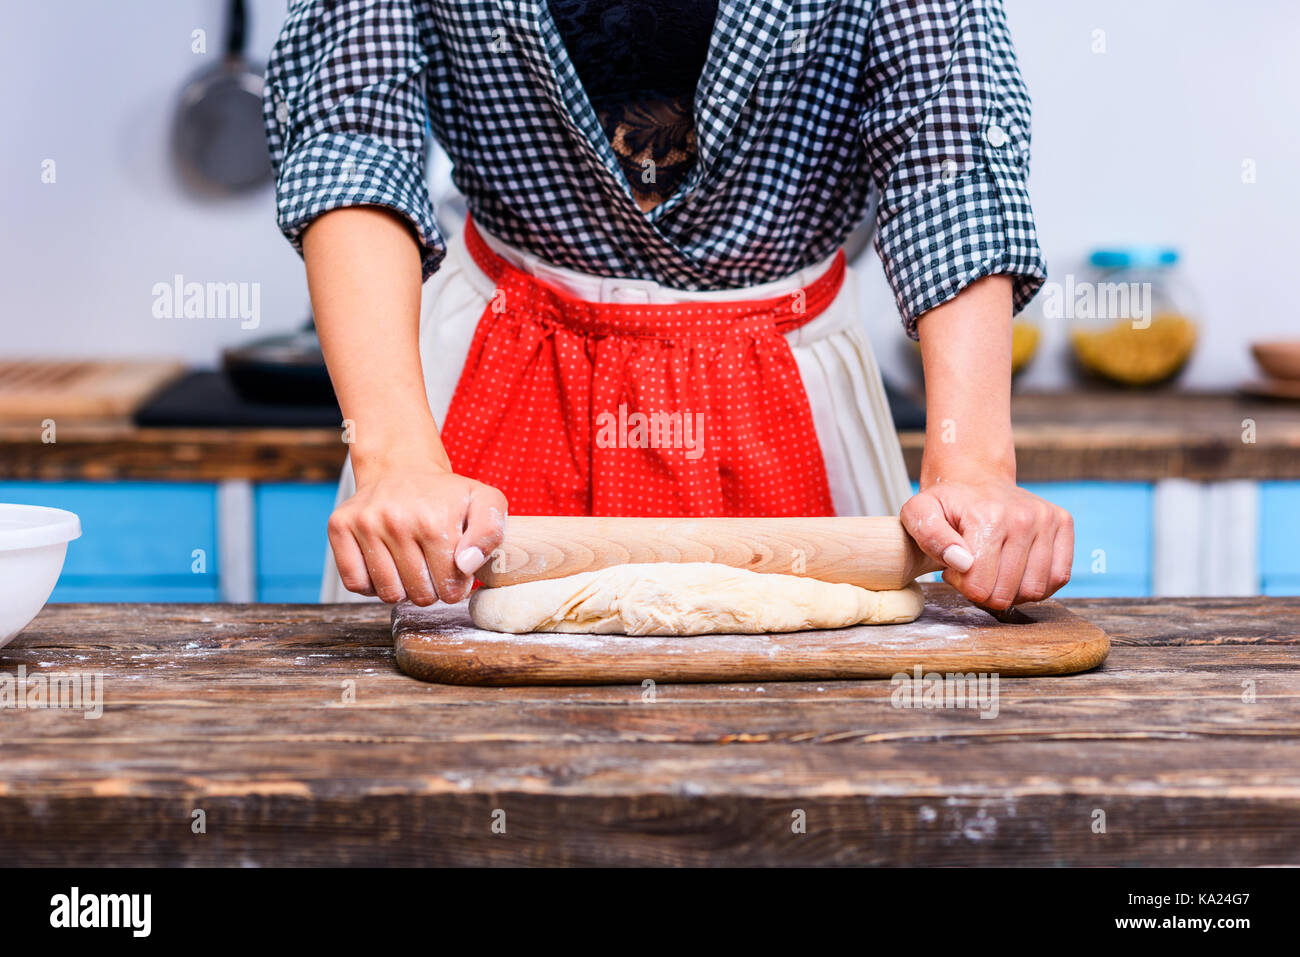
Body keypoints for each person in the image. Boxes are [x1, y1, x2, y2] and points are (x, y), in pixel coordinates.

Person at [263, 0, 1073, 610]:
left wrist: (974, 465)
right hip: (481, 400)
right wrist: (398, 460)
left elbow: (947, 146)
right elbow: (352, 131)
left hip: (788, 394)